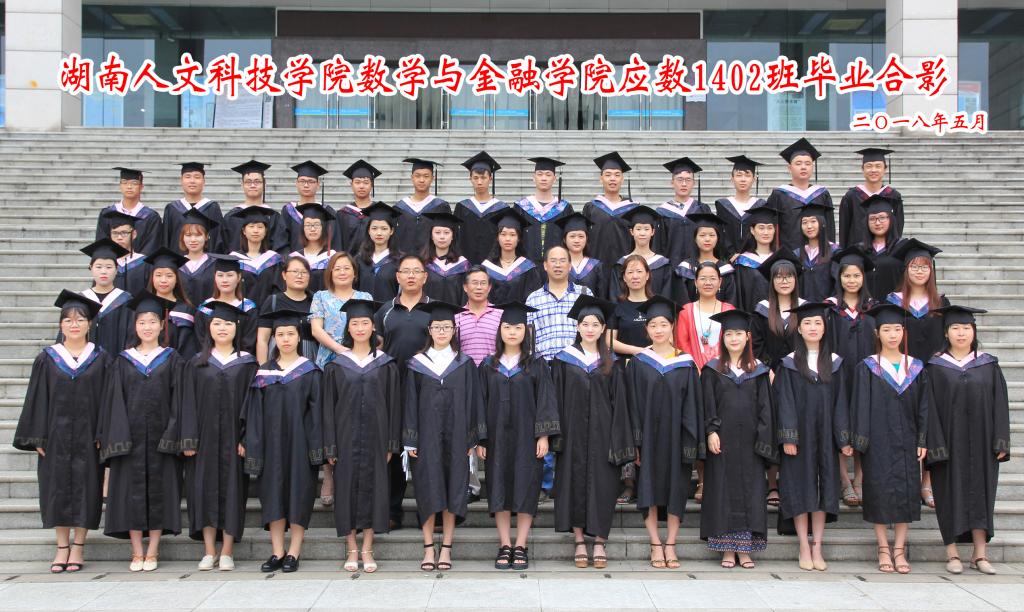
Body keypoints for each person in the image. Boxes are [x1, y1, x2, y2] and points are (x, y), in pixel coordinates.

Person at [14, 290, 107, 574]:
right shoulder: (47, 358)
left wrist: (104, 433)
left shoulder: (101, 358)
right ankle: (61, 547)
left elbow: (108, 399)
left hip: (89, 437)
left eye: (80, 319)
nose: (74, 324)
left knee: (87, 489)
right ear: (60, 325)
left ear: (90, 324)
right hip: (56, 436)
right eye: (68, 320)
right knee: (57, 489)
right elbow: (36, 398)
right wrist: (38, 435)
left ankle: (79, 546)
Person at [98, 291, 185, 572]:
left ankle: (153, 550)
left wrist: (173, 433)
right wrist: (116, 436)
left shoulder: (172, 359)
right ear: (135, 326)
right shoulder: (123, 361)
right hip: (130, 438)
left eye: (152, 322)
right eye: (142, 322)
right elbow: (113, 401)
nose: (147, 327)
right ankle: (137, 552)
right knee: (130, 494)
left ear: (162, 325)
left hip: (162, 437)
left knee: (160, 492)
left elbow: (179, 400)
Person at [550, 295, 635, 569]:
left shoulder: (613, 363)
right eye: (585, 324)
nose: (589, 329)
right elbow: (555, 399)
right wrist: (555, 435)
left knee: (604, 486)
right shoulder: (563, 360)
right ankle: (578, 540)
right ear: (577, 327)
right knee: (572, 483)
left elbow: (620, 404)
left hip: (603, 434)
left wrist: (619, 439)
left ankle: (599, 540)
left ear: (602, 329)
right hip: (572, 434)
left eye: (595, 324)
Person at [926, 305, 1010, 576]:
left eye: (966, 328)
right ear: (946, 333)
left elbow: (1000, 404)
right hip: (948, 444)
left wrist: (1001, 440)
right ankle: (951, 553)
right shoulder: (935, 367)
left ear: (974, 331)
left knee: (982, 495)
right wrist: (934, 443)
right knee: (947, 495)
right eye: (955, 328)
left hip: (983, 443)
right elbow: (929, 409)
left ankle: (979, 554)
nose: (961, 333)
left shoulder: (988, 365)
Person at [404, 301, 486, 572]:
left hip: (458, 437)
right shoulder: (416, 364)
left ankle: (447, 548)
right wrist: (410, 438)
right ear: (429, 330)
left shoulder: (465, 364)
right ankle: (429, 548)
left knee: (453, 490)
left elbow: (474, 402)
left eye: (447, 327)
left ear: (454, 330)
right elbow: (409, 403)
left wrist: (472, 439)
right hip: (425, 439)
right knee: (427, 489)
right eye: (437, 327)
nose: (442, 331)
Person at [477, 302, 560, 570]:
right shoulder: (488, 365)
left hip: (528, 438)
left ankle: (521, 545)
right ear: (499, 330)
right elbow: (480, 402)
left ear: (526, 331)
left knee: (527, 487)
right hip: (497, 438)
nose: (512, 332)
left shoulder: (536, 364)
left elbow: (545, 400)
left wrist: (543, 436)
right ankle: (505, 544)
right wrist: (481, 438)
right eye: (507, 327)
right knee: (498, 487)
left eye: (518, 327)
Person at [241, 307, 324, 574]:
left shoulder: (310, 371)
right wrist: (252, 443)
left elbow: (317, 414)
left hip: (300, 446)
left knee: (299, 495)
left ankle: (294, 552)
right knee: (273, 496)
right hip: (271, 446)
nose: (286, 339)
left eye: (290, 333)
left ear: (299, 337)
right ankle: (277, 551)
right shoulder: (264, 373)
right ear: (274, 338)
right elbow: (253, 413)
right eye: (280, 334)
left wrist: (317, 447)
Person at [177, 301, 258, 572]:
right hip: (203, 441)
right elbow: (186, 402)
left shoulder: (247, 364)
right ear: (209, 328)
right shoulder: (196, 363)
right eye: (217, 323)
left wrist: (246, 439)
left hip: (234, 441)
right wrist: (188, 438)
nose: (222, 328)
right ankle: (209, 550)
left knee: (234, 492)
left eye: (228, 324)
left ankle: (227, 551)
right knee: (203, 492)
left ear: (237, 328)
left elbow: (252, 405)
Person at [849, 303, 930, 574]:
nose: (892, 334)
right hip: (878, 442)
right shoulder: (868, 367)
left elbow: (924, 407)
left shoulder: (916, 367)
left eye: (897, 329)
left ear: (904, 332)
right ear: (877, 333)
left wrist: (922, 439)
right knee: (879, 491)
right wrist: (860, 442)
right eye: (886, 329)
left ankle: (900, 549)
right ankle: (883, 546)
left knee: (906, 491)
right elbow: (860, 406)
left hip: (908, 439)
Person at [322, 299, 401, 573]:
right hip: (344, 439)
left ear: (373, 327)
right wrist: (330, 445)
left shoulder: (386, 364)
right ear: (348, 328)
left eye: (364, 323)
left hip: (377, 438)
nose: (359, 328)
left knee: (375, 490)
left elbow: (394, 404)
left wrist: (391, 442)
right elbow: (327, 408)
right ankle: (351, 548)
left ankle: (367, 547)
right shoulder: (336, 365)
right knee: (345, 490)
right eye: (354, 323)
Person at [626, 296, 703, 570]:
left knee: (676, 490)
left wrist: (691, 441)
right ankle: (655, 543)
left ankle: (671, 543)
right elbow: (632, 405)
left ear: (672, 326)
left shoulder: (686, 363)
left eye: (663, 324)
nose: (658, 330)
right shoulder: (638, 363)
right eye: (653, 325)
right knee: (648, 488)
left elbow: (693, 405)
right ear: (646, 329)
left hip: (676, 439)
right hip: (647, 439)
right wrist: (635, 441)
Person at [774, 302, 853, 572]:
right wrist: (788, 436)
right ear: (799, 328)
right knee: (800, 488)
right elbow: (784, 401)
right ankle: (803, 546)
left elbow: (841, 402)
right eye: (807, 323)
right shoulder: (789, 363)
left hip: (826, 437)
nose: (812, 327)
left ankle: (817, 545)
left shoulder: (835, 363)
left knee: (824, 488)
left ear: (825, 328)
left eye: (817, 323)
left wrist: (843, 438)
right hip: (799, 437)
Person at [700, 310, 775, 570]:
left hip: (751, 443)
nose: (734, 338)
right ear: (722, 338)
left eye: (739, 334)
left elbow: (766, 408)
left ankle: (745, 550)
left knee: (750, 493)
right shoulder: (712, 370)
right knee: (723, 492)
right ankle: (727, 549)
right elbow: (707, 403)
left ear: (748, 337)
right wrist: (711, 431)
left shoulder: (759, 371)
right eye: (729, 334)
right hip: (723, 441)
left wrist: (763, 439)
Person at [374, 253, 434, 530]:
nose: (411, 275)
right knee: (394, 449)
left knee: (427, 451)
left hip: (426, 389)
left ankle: (429, 512)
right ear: (397, 276)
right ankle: (392, 511)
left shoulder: (434, 309)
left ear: (425, 276)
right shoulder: (385, 311)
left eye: (416, 271)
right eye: (406, 271)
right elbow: (376, 348)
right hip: (393, 389)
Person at [827, 246, 877, 507]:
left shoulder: (873, 309)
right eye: (847, 275)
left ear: (863, 277)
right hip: (839, 374)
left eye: (856, 275)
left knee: (862, 423)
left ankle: (860, 478)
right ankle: (844, 479)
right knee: (839, 422)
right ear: (839, 277)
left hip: (866, 376)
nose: (852, 280)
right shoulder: (830, 308)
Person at [887, 238, 949, 364]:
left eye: (924, 267)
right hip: (903, 366)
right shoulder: (893, 302)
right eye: (914, 267)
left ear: (931, 270)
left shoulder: (941, 302)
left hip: (935, 366)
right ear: (906, 270)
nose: (919, 271)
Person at [767, 138, 835, 252]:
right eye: (798, 163)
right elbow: (772, 227)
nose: (803, 167)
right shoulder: (779, 195)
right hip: (788, 254)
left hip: (818, 256)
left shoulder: (822, 194)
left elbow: (829, 227)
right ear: (789, 168)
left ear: (812, 167)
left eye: (808, 164)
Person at [309, 252, 373, 369]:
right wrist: (339, 349)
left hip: (360, 357)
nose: (342, 272)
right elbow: (316, 329)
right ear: (330, 273)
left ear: (354, 273)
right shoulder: (320, 297)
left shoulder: (365, 297)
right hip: (329, 357)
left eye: (346, 268)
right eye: (337, 269)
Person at [193, 254, 258, 356]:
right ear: (214, 277)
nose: (224, 280)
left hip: (240, 362)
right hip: (209, 361)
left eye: (230, 275)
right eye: (220, 275)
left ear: (239, 277)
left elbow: (249, 341)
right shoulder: (205, 308)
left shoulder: (248, 308)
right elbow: (201, 340)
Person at [676, 262, 736, 370]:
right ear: (695, 282)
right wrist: (696, 369)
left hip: (725, 371)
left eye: (712, 278)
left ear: (720, 282)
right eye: (703, 278)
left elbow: (734, 342)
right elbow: (682, 344)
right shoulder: (686, 311)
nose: (708, 283)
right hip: (694, 371)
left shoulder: (729, 310)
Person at [751, 251, 806, 370]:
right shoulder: (761, 310)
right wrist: (767, 369)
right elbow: (756, 346)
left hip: (801, 372)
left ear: (795, 279)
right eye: (779, 277)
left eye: (789, 276)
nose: (784, 281)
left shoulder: (805, 309)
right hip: (770, 374)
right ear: (772, 281)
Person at [77, 239, 133, 355]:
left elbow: (131, 336)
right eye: (98, 267)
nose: (103, 272)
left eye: (109, 267)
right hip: (85, 362)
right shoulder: (81, 300)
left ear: (116, 269)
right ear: (91, 268)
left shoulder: (125, 300)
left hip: (117, 361)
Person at [256, 256, 317, 364]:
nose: (299, 276)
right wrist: (263, 368)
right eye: (295, 271)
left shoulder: (316, 301)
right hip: (277, 357)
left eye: (304, 272)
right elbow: (262, 339)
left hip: (309, 357)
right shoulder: (273, 301)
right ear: (284, 275)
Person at [838, 148, 903, 248]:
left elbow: (898, 229)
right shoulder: (851, 197)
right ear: (862, 169)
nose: (873, 170)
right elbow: (844, 230)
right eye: (869, 166)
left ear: (885, 169)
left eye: (878, 166)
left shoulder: (894, 196)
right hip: (857, 252)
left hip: (886, 252)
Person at [671, 212, 737, 306]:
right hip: (691, 315)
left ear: (718, 238)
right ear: (695, 238)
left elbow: (731, 302)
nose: (707, 239)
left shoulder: (726, 270)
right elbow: (682, 301)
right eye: (702, 235)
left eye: (712, 235)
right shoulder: (685, 269)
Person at [514, 156, 574, 262]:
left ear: (554, 179)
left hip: (556, 265)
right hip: (526, 265)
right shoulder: (521, 207)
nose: (544, 178)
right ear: (533, 177)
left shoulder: (564, 208)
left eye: (548, 174)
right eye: (540, 174)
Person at [222, 160, 289, 253]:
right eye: (248, 182)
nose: (253, 185)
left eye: (257, 182)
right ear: (242, 185)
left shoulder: (274, 216)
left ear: (264, 184)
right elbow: (224, 247)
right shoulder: (231, 217)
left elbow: (279, 247)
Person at [583, 151, 638, 264]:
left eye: (617, 175)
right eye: (608, 175)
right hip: (596, 266)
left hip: (625, 267)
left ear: (622, 179)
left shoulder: (633, 208)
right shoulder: (591, 207)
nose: (613, 178)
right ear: (601, 179)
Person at [454, 151, 509, 265]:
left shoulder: (502, 209)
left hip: (494, 265)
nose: (479, 182)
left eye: (483, 177)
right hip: (466, 264)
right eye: (476, 178)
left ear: (490, 178)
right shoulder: (462, 207)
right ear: (470, 179)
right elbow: (455, 237)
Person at [607, 205, 673, 300]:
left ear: (653, 232)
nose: (642, 233)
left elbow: (667, 296)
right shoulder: (621, 264)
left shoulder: (663, 264)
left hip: (656, 309)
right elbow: (615, 296)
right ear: (631, 232)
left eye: (646, 229)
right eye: (638, 229)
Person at [95, 167, 163, 256]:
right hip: (112, 263)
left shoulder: (151, 217)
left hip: (141, 264)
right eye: (124, 182)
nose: (129, 187)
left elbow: (152, 246)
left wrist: (137, 262)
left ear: (141, 187)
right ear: (120, 185)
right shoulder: (107, 214)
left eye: (134, 183)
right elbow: (102, 244)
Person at [482, 206, 544, 304]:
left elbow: (534, 300)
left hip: (520, 314)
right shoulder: (486, 268)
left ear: (519, 238)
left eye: (512, 234)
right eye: (503, 234)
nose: (508, 239)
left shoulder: (528, 268)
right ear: (497, 237)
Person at [655, 157, 710, 264]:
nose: (684, 184)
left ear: (694, 183)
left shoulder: (702, 209)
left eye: (688, 180)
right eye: (680, 180)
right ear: (672, 182)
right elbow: (658, 245)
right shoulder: (662, 212)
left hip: (699, 267)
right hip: (671, 267)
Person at [162, 162, 225, 255]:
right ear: (181, 180)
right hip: (177, 262)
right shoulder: (172, 209)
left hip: (207, 262)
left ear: (204, 181)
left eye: (197, 177)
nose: (192, 181)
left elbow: (218, 241)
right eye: (188, 177)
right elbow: (166, 241)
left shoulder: (212, 207)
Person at [145, 247, 198, 358]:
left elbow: (187, 349)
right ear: (152, 278)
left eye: (169, 276)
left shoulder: (185, 311)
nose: (163, 280)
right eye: (158, 275)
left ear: (177, 279)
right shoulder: (143, 307)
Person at [393, 158, 451, 255]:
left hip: (432, 259)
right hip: (405, 260)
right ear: (412, 178)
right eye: (417, 176)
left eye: (426, 176)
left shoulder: (441, 206)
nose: (421, 180)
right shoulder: (399, 208)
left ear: (433, 178)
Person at [229, 206, 283, 309]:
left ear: (266, 231)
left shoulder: (274, 259)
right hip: (241, 312)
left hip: (268, 312)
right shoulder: (234, 259)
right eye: (251, 226)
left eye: (260, 227)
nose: (255, 230)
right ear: (244, 231)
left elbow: (278, 289)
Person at [731, 203, 779, 313]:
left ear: (774, 230)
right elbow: (740, 297)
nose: (766, 232)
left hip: (778, 317)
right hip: (751, 316)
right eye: (761, 228)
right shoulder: (742, 262)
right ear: (752, 230)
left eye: (770, 228)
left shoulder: (780, 259)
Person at [715, 155, 767, 256]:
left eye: (747, 175)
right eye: (739, 175)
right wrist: (731, 254)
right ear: (732, 178)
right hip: (728, 259)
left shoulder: (761, 206)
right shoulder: (723, 205)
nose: (743, 179)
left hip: (754, 258)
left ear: (754, 179)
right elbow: (720, 233)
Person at [454, 267, 503, 366]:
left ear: (489, 287)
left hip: (492, 371)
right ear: (465, 287)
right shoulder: (456, 317)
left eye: (483, 283)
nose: (479, 287)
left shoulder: (500, 315)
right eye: (474, 283)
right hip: (465, 373)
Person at [282, 160, 334, 253]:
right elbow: (282, 241)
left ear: (318, 185)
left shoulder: (327, 211)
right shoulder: (288, 211)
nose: (306, 185)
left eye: (311, 181)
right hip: (294, 260)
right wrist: (290, 259)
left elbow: (333, 240)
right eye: (302, 181)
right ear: (296, 183)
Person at [609, 255, 654, 362]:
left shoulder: (657, 304)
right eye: (630, 272)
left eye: (639, 271)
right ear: (624, 278)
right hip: (625, 364)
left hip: (654, 362)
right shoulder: (616, 307)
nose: (635, 276)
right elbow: (610, 341)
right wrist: (639, 351)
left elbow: (670, 339)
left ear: (647, 275)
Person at [859, 194, 903, 300]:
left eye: (882, 218)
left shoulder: (902, 247)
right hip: (866, 306)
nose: (877, 223)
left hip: (893, 307)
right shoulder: (860, 250)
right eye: (872, 219)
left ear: (891, 219)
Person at [354, 201, 401, 302]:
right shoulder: (359, 259)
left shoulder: (399, 260)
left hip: (389, 310)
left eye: (384, 229)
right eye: (374, 228)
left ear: (391, 231)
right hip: (363, 310)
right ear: (368, 231)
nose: (379, 233)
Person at [287, 203, 338, 295]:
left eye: (316, 224)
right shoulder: (294, 258)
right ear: (303, 228)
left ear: (323, 228)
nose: (312, 229)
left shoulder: (332, 257)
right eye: (308, 225)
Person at [422, 211, 470, 304]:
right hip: (427, 312)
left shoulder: (463, 265)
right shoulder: (423, 263)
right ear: (431, 236)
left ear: (452, 236)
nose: (442, 237)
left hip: (455, 312)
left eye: (446, 232)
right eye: (437, 232)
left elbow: (466, 297)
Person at [794, 203, 838, 302]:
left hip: (827, 307)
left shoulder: (835, 252)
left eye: (813, 221)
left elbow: (839, 284)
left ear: (822, 223)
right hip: (802, 308)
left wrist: (831, 301)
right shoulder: (797, 254)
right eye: (804, 222)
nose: (809, 226)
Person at [336, 160, 382, 255]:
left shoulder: (379, 211)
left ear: (372, 185)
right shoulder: (342, 214)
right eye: (357, 182)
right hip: (348, 261)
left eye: (366, 182)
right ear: (351, 185)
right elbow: (338, 243)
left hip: (373, 261)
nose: (361, 186)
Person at [557, 212, 606, 298]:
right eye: (572, 236)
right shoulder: (558, 265)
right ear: (564, 239)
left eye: (581, 236)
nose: (577, 240)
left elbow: (601, 297)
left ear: (586, 239)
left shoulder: (596, 266)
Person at [177, 208, 220, 306]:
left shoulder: (216, 264)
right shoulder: (177, 264)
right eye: (188, 235)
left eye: (198, 235)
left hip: (208, 313)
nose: (193, 240)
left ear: (206, 237)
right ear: (182, 237)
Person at [103, 209, 150, 297]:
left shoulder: (144, 263)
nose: (119, 237)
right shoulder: (104, 263)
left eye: (124, 233)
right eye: (115, 233)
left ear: (134, 234)